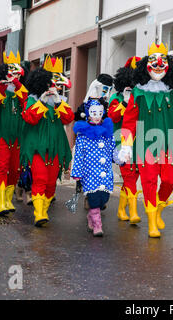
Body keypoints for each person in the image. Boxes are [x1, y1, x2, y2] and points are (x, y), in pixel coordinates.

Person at [119, 43, 173, 238]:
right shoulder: (138, 94)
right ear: (145, 67)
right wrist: (126, 145)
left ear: (169, 67)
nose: (158, 67)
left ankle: (158, 209)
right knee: (148, 181)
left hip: (168, 146)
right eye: (154, 63)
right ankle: (151, 222)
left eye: (162, 63)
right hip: (145, 145)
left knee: (169, 180)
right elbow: (129, 121)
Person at [21, 55, 74, 227]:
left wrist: (58, 103)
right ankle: (39, 213)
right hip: (37, 148)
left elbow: (68, 118)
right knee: (41, 179)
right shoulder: (32, 100)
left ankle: (44, 206)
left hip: (56, 148)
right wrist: (42, 103)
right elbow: (29, 118)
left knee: (51, 183)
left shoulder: (60, 102)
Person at [0, 51, 28, 216]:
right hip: (1, 136)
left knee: (14, 169)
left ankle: (8, 200)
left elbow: (26, 102)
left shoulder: (19, 92)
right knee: (2, 167)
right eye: (12, 72)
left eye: (17, 73)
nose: (14, 76)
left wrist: (16, 84)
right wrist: (2, 90)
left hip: (17, 137)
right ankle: (0, 202)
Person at [71, 98, 115, 236]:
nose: (96, 116)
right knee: (94, 199)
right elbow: (78, 155)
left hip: (106, 172)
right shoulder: (83, 135)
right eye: (93, 113)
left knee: (103, 198)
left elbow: (112, 151)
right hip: (90, 172)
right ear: (88, 114)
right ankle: (97, 226)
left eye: (99, 113)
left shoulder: (107, 133)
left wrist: (120, 158)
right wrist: (77, 172)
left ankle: (92, 215)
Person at [108, 56, 142, 224]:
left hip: (139, 142)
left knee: (133, 177)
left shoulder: (140, 98)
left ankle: (122, 209)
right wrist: (125, 103)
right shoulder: (116, 98)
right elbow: (112, 116)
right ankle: (134, 212)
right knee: (128, 175)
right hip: (121, 142)